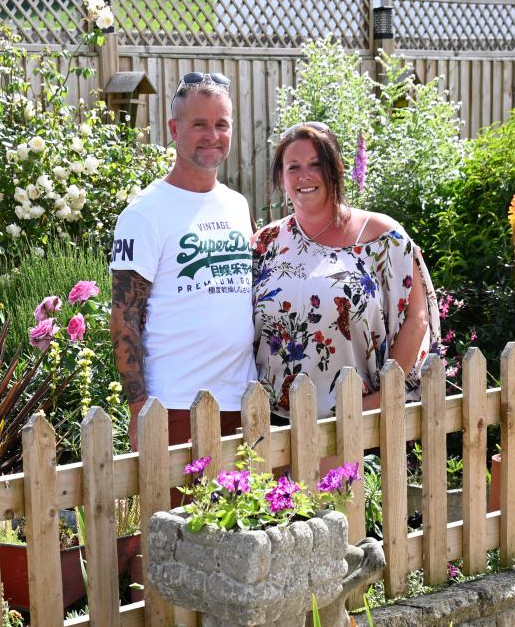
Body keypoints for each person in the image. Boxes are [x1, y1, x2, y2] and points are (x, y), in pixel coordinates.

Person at [252, 121, 441, 419]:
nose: (304, 176)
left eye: (316, 164)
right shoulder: (265, 243)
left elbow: (416, 319)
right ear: (280, 176)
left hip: (360, 417)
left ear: (337, 168)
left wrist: (382, 399)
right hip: (276, 423)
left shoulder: (382, 237)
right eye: (293, 166)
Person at [110, 73, 254, 447]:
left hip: (242, 400)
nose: (212, 135)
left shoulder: (237, 205)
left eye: (222, 124)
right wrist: (138, 406)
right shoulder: (145, 213)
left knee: (239, 507)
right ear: (174, 129)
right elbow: (124, 315)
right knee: (175, 509)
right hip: (175, 405)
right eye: (199, 124)